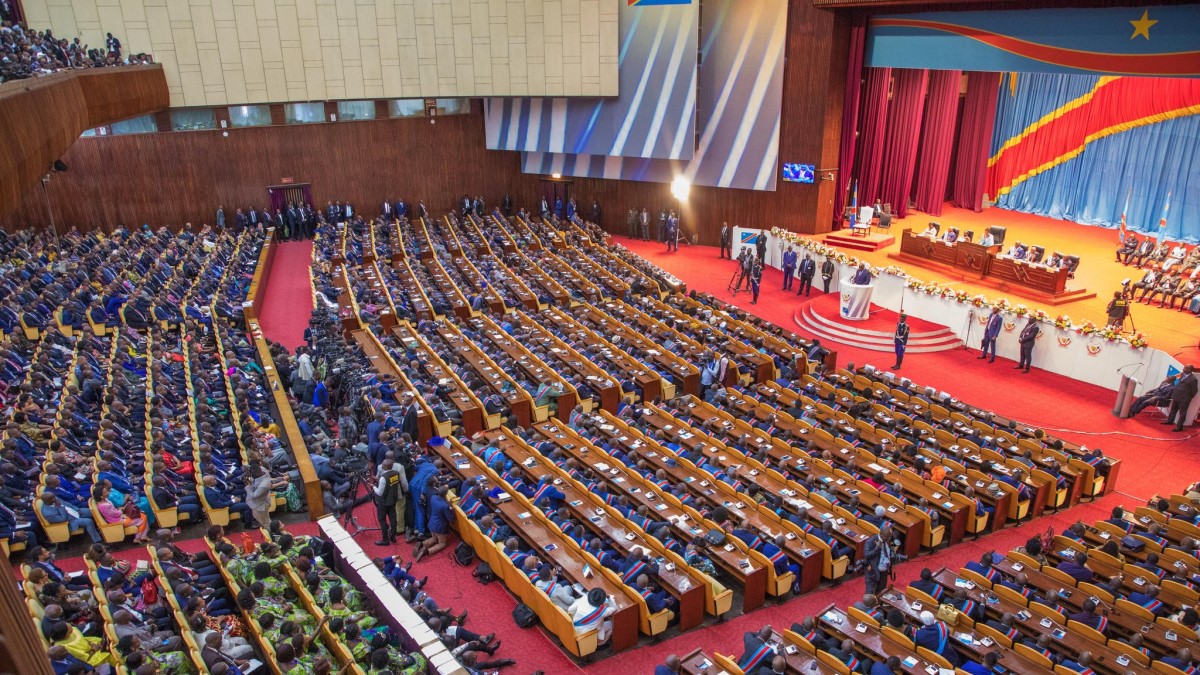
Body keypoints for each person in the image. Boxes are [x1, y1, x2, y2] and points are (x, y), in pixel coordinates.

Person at [374, 459, 402, 546]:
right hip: (392, 500)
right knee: (393, 519)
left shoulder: (383, 477)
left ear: (386, 466)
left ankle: (385, 540)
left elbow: (379, 492)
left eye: (383, 464)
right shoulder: (396, 473)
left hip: (383, 502)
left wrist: (373, 487)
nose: (381, 465)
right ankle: (392, 536)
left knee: (382, 520)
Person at [863, 523, 894, 596]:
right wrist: (877, 548)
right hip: (873, 571)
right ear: (881, 534)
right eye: (887, 537)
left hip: (884, 571)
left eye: (889, 537)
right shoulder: (870, 541)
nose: (888, 539)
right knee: (870, 593)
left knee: (882, 591)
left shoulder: (886, 540)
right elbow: (866, 555)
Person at [1165, 365, 1197, 432]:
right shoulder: (1182, 374)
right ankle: (1170, 421)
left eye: (1186, 368)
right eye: (1184, 367)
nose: (1184, 369)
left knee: (1182, 413)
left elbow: (1194, 390)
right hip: (1176, 395)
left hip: (1184, 398)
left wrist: (1188, 397)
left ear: (1190, 370)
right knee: (1173, 409)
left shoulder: (1193, 379)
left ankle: (1179, 426)